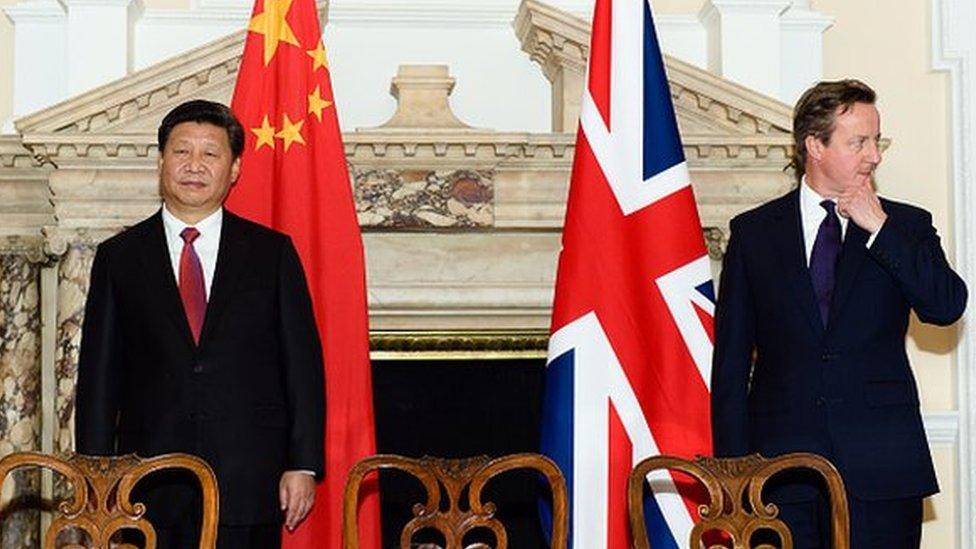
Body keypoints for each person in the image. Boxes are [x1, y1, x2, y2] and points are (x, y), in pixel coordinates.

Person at [711, 79, 967, 548]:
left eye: (876, 141)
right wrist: (733, 475)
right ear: (815, 145)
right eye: (859, 142)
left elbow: (946, 306)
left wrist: (880, 230)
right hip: (780, 475)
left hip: (882, 469)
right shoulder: (753, 234)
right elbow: (729, 364)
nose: (874, 155)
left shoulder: (906, 225)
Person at [75, 99, 325, 549]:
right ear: (160, 162)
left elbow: (302, 367)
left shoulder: (272, 254)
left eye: (210, 154)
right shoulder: (120, 257)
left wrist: (302, 464)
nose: (194, 165)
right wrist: (97, 476)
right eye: (181, 152)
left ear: (234, 169)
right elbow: (98, 378)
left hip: (249, 477)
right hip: (146, 484)